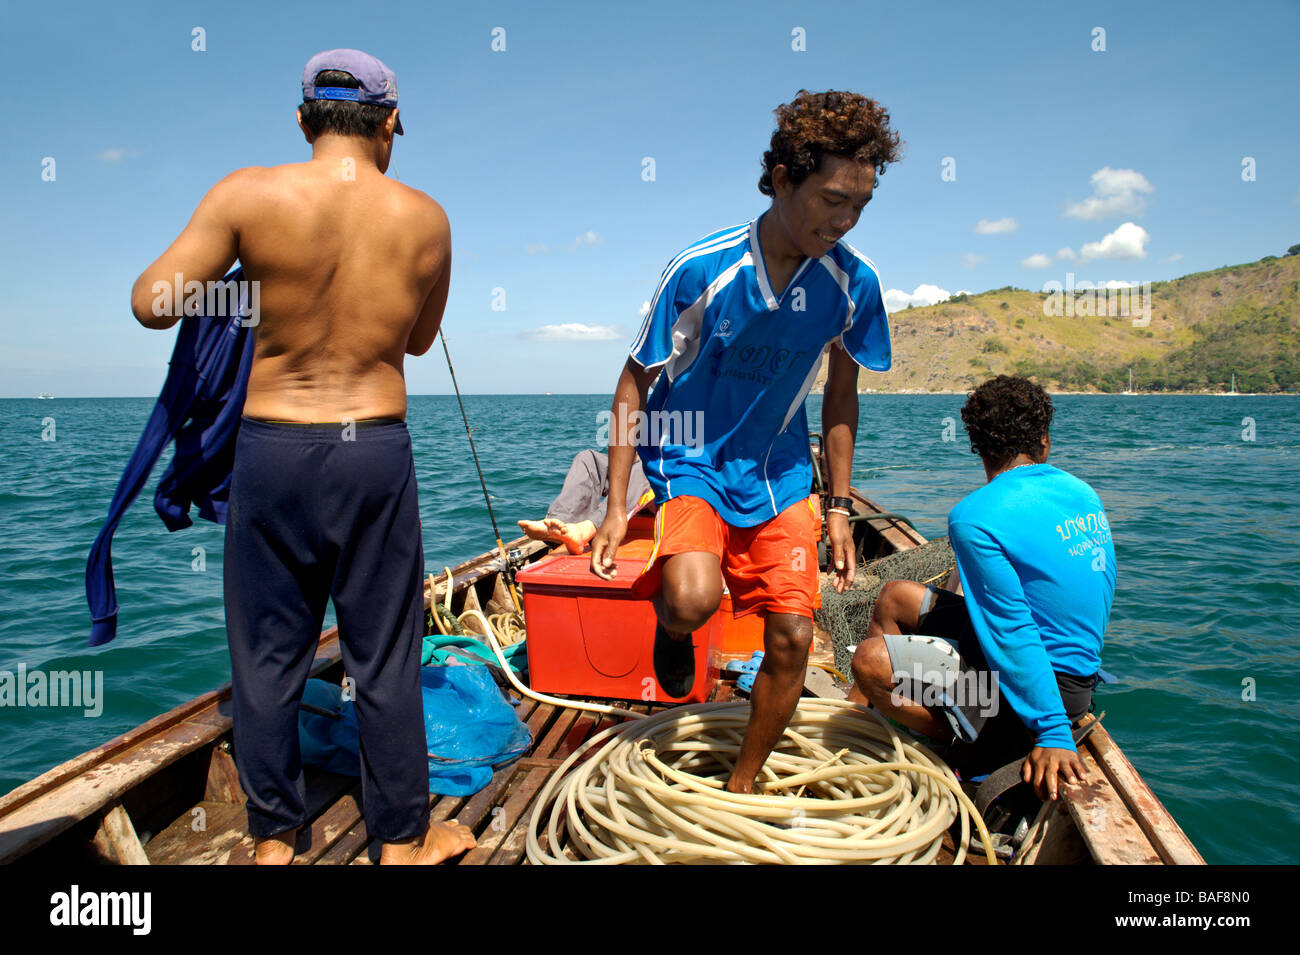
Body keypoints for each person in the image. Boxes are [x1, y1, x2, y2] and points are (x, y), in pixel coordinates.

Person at [130, 49, 474, 864]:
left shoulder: (248, 195)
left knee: (266, 658)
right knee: (384, 656)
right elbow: (419, 341)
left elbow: (151, 302)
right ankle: (402, 842)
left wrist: (249, 289)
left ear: (302, 119)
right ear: (389, 123)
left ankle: (275, 841)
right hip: (374, 453)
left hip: (274, 449)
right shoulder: (426, 218)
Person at [589, 90, 902, 794]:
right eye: (830, 199)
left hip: (780, 471)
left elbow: (841, 394)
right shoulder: (701, 270)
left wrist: (842, 507)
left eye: (860, 205)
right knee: (694, 599)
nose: (844, 219)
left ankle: (742, 784)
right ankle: (672, 630)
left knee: (794, 634)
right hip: (688, 455)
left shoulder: (855, 284)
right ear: (783, 178)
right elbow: (632, 384)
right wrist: (614, 505)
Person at [848, 375, 1118, 801]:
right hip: (1075, 677)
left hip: (1042, 695)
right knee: (895, 596)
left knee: (870, 662)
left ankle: (974, 746)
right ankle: (852, 720)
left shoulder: (974, 516)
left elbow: (1013, 630)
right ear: (1044, 441)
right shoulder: (1081, 492)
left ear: (977, 445)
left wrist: (1053, 729)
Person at [518, 450, 654, 553]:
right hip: (639, 470)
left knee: (648, 466)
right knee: (588, 459)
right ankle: (561, 525)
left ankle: (585, 531)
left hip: (663, 487)